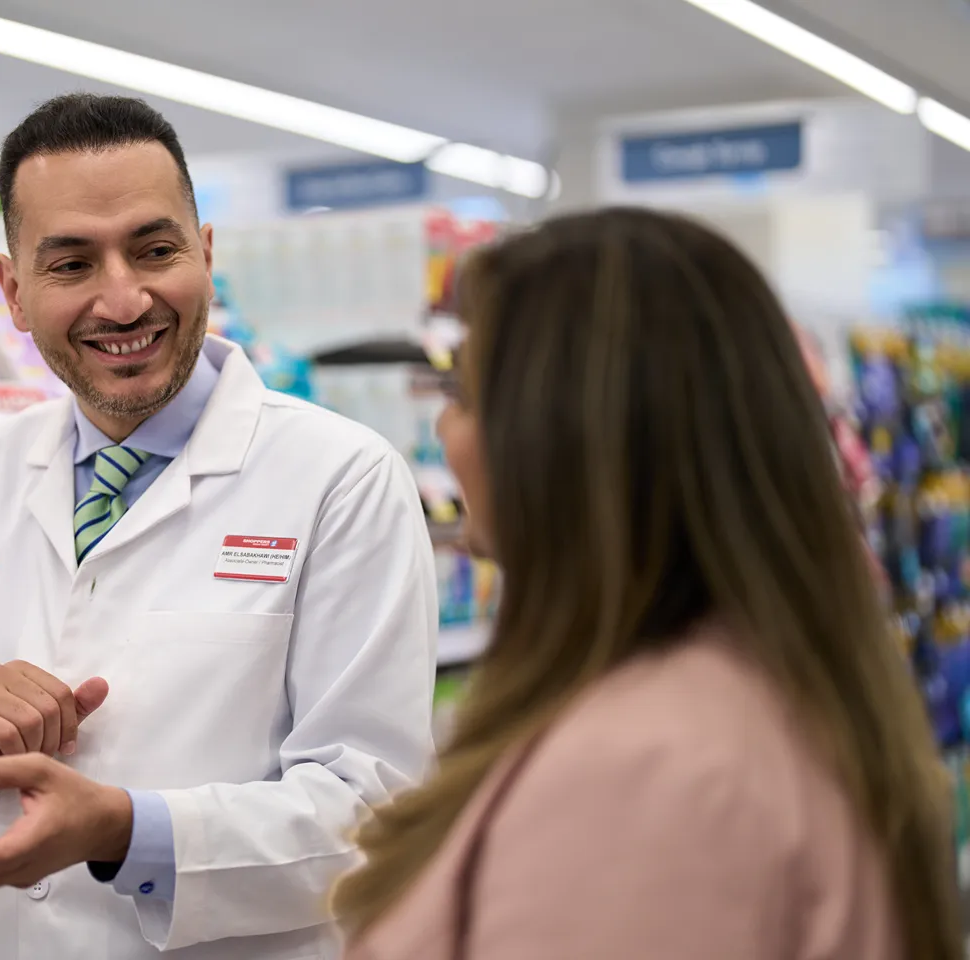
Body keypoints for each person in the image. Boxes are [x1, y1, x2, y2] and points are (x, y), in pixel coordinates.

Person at [0, 93, 437, 960]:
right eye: (72, 264)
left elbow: (374, 812)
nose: (123, 301)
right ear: (13, 291)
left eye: (155, 249)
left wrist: (124, 831)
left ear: (206, 252)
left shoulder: (343, 478)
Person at [334, 208, 960, 960]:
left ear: (560, 434)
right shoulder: (743, 689)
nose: (441, 432)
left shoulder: (645, 774)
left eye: (462, 394)